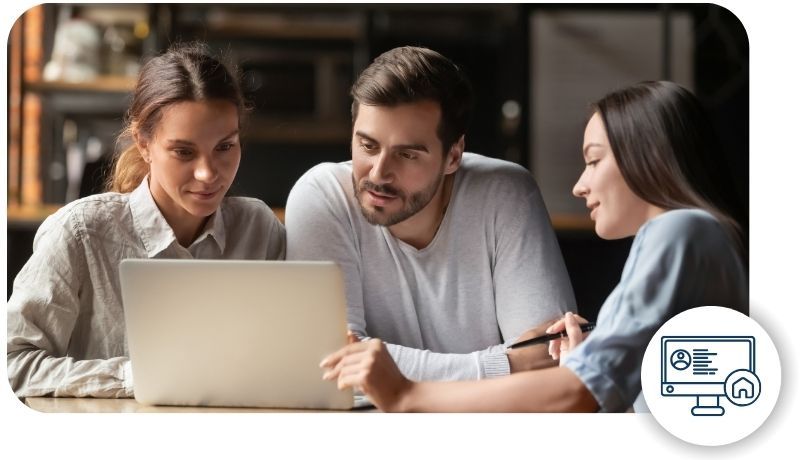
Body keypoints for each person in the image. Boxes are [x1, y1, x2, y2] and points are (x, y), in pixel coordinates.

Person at [319, 81, 748, 412]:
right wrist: (584, 363)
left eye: (594, 160)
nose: (580, 186)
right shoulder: (705, 236)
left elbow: (576, 396)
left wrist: (408, 395)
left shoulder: (678, 231)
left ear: (648, 155)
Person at [7, 42, 286, 398]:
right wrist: (139, 377)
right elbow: (13, 362)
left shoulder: (259, 228)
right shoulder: (81, 233)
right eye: (184, 152)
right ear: (143, 143)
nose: (207, 173)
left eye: (225, 147)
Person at [286, 46, 575, 382]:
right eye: (368, 146)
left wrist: (379, 364)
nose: (378, 174)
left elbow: (550, 361)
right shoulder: (322, 195)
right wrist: (506, 364)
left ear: (453, 156)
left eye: (407, 155)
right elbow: (332, 365)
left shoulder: (506, 193)